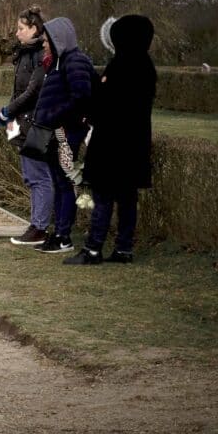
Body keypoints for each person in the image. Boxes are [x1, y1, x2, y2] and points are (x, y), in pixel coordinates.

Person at [66, 15, 156, 265]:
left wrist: (90, 113)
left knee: (104, 195)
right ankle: (123, 248)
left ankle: (93, 249)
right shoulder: (145, 65)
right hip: (134, 144)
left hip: (112, 143)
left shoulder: (122, 65)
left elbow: (106, 104)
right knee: (127, 197)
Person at [30, 17, 94, 254]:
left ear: (58, 40)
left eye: (46, 41)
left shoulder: (75, 61)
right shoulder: (57, 62)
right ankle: (59, 233)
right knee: (59, 181)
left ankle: (63, 235)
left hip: (66, 132)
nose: (44, 45)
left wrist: (54, 116)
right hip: (55, 131)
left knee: (65, 182)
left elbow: (81, 97)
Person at [0, 7, 54, 246]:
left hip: (36, 124)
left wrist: (9, 111)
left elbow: (32, 92)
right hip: (23, 122)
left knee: (39, 177)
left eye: (21, 28)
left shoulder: (40, 55)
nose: (17, 33)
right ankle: (36, 223)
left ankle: (40, 227)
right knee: (32, 177)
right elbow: (20, 90)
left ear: (34, 29)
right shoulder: (24, 54)